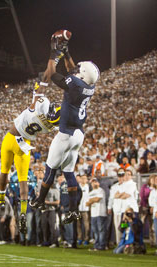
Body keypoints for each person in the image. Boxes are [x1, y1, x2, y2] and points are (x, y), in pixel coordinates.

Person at [31, 33, 100, 226]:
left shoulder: (76, 84)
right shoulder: (89, 85)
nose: (76, 68)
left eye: (80, 68)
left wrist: (54, 53)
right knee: (69, 172)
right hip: (78, 134)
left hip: (66, 134)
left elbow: (53, 73)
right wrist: (67, 53)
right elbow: (74, 71)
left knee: (50, 169)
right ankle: (74, 210)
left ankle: (39, 200)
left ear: (83, 74)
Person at [0, 45, 61, 235]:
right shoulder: (53, 126)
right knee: (23, 184)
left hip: (12, 138)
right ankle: (23, 214)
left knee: (4, 171)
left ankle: (1, 197)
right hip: (24, 146)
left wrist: (54, 57)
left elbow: (45, 79)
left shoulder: (40, 105)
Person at [86, 178, 107, 251]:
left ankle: (102, 245)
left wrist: (91, 200)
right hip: (93, 213)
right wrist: (93, 200)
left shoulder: (101, 190)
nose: (94, 183)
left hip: (100, 212)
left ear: (98, 183)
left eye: (95, 182)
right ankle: (96, 245)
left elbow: (98, 199)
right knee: (95, 230)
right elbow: (87, 203)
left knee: (101, 230)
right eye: (92, 182)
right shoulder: (90, 192)